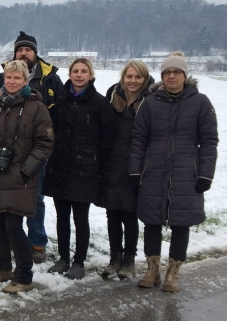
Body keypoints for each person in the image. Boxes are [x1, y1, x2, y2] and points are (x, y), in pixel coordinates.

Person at [130, 51, 218, 293]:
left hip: (186, 173)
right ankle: (152, 269)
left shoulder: (201, 103)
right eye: (167, 72)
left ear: (184, 75)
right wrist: (135, 171)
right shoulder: (150, 102)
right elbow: (138, 140)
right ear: (162, 76)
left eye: (176, 72)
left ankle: (173, 273)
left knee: (181, 223)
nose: (171, 76)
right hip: (153, 171)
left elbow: (209, 141)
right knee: (151, 221)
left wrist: (205, 174)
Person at [0, 60, 53, 294]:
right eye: (8, 77)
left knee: (13, 226)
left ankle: (24, 274)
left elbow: (45, 143)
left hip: (20, 176)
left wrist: (26, 169)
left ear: (26, 80)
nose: (11, 82)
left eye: (17, 78)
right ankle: (2, 267)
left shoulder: (36, 107)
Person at [0, 31, 63, 263]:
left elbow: (58, 113)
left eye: (28, 49)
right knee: (7, 198)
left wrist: (46, 148)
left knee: (35, 198)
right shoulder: (2, 77)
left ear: (35, 52)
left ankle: (37, 242)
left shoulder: (49, 78)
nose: (23, 53)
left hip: (35, 152)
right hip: (6, 150)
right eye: (20, 49)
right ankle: (13, 238)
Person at [42, 58, 115, 280]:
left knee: (80, 218)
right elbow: (52, 129)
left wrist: (94, 160)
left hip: (85, 169)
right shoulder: (61, 100)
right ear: (70, 74)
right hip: (60, 166)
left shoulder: (99, 104)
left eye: (84, 71)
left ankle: (79, 262)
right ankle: (63, 258)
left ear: (91, 75)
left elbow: (106, 138)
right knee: (61, 217)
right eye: (75, 71)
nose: (79, 75)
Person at [96, 60, 154, 280]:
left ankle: (129, 261)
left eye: (137, 77)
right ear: (123, 77)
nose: (133, 81)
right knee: (112, 213)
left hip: (136, 164)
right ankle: (114, 259)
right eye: (129, 76)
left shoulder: (151, 100)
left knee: (130, 215)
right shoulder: (112, 95)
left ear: (145, 79)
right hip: (112, 161)